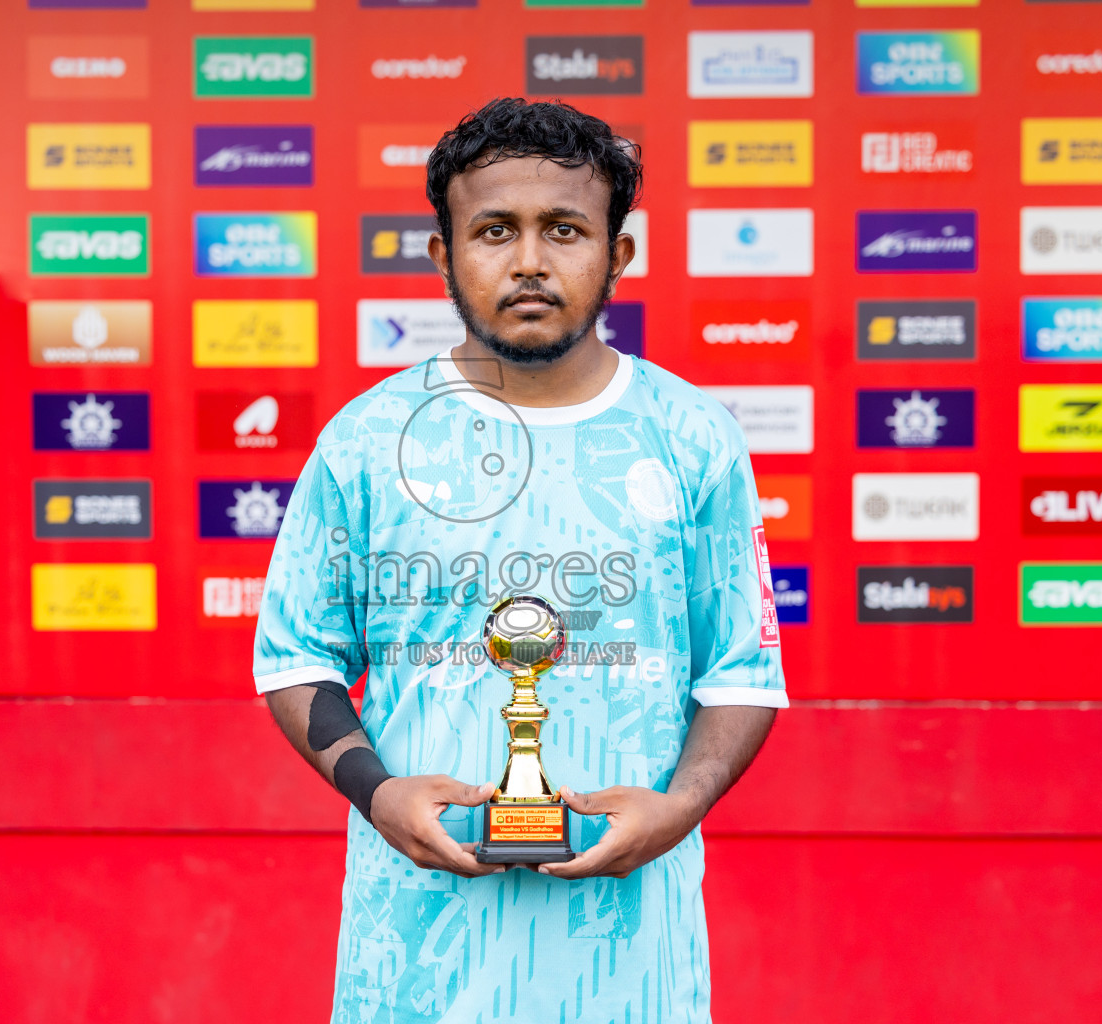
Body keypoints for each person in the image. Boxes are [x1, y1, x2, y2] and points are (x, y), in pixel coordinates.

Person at [253, 97, 786, 1023]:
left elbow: (743, 670)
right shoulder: (370, 440)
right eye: (495, 229)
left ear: (618, 254)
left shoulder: (694, 437)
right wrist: (377, 793)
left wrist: (682, 806)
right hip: (413, 965)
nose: (531, 261)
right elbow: (295, 658)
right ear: (443, 254)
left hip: (632, 967)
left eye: (565, 229)